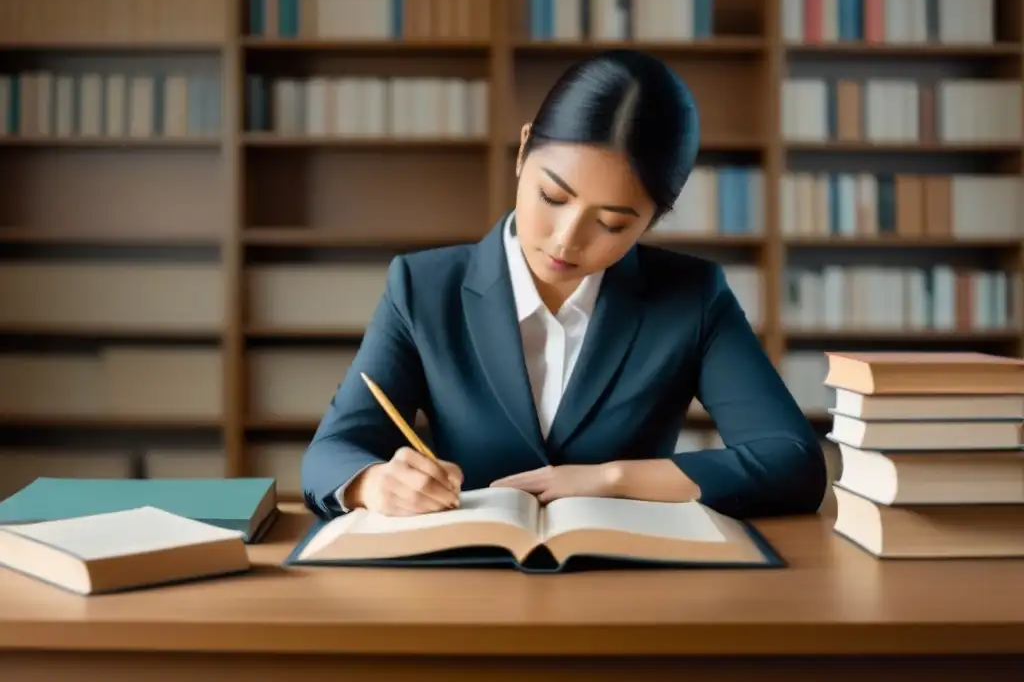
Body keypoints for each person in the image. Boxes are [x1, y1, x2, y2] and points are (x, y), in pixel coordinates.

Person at [300, 49, 827, 522]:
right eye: (553, 197)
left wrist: (610, 479)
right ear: (524, 149)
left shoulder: (693, 295)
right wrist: (373, 482)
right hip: (463, 580)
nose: (567, 240)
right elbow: (333, 453)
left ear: (653, 219)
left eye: (613, 224)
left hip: (625, 585)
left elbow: (793, 460)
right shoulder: (422, 286)